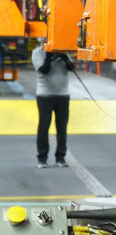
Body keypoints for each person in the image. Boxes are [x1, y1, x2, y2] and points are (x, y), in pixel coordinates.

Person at [30, 39, 73, 169]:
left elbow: (72, 68)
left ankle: (60, 157)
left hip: (63, 95)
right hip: (45, 95)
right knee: (44, 127)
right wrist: (48, 55)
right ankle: (42, 158)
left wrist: (65, 58)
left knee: (62, 128)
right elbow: (44, 70)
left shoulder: (63, 52)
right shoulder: (37, 53)